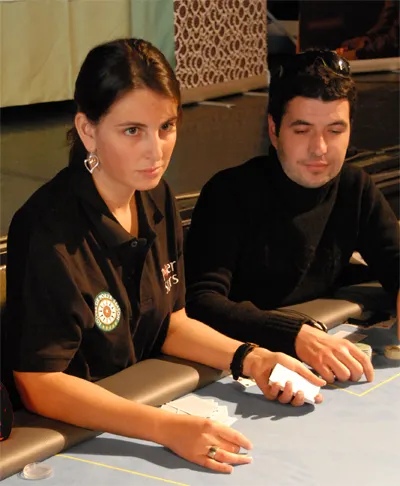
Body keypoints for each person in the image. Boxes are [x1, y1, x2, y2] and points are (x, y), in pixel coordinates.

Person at [1, 39, 325, 474]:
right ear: (87, 130)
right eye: (132, 131)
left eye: (167, 126)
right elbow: (38, 382)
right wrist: (165, 428)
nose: (156, 151)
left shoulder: (155, 195)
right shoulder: (45, 229)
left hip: (139, 401)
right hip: (70, 441)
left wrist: (252, 358)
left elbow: (170, 321)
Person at [184, 49, 400, 385]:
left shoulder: (354, 186)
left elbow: (394, 259)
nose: (320, 148)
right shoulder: (229, 193)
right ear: (274, 130)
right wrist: (297, 334)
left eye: (335, 130)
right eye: (302, 130)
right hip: (242, 363)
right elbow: (202, 302)